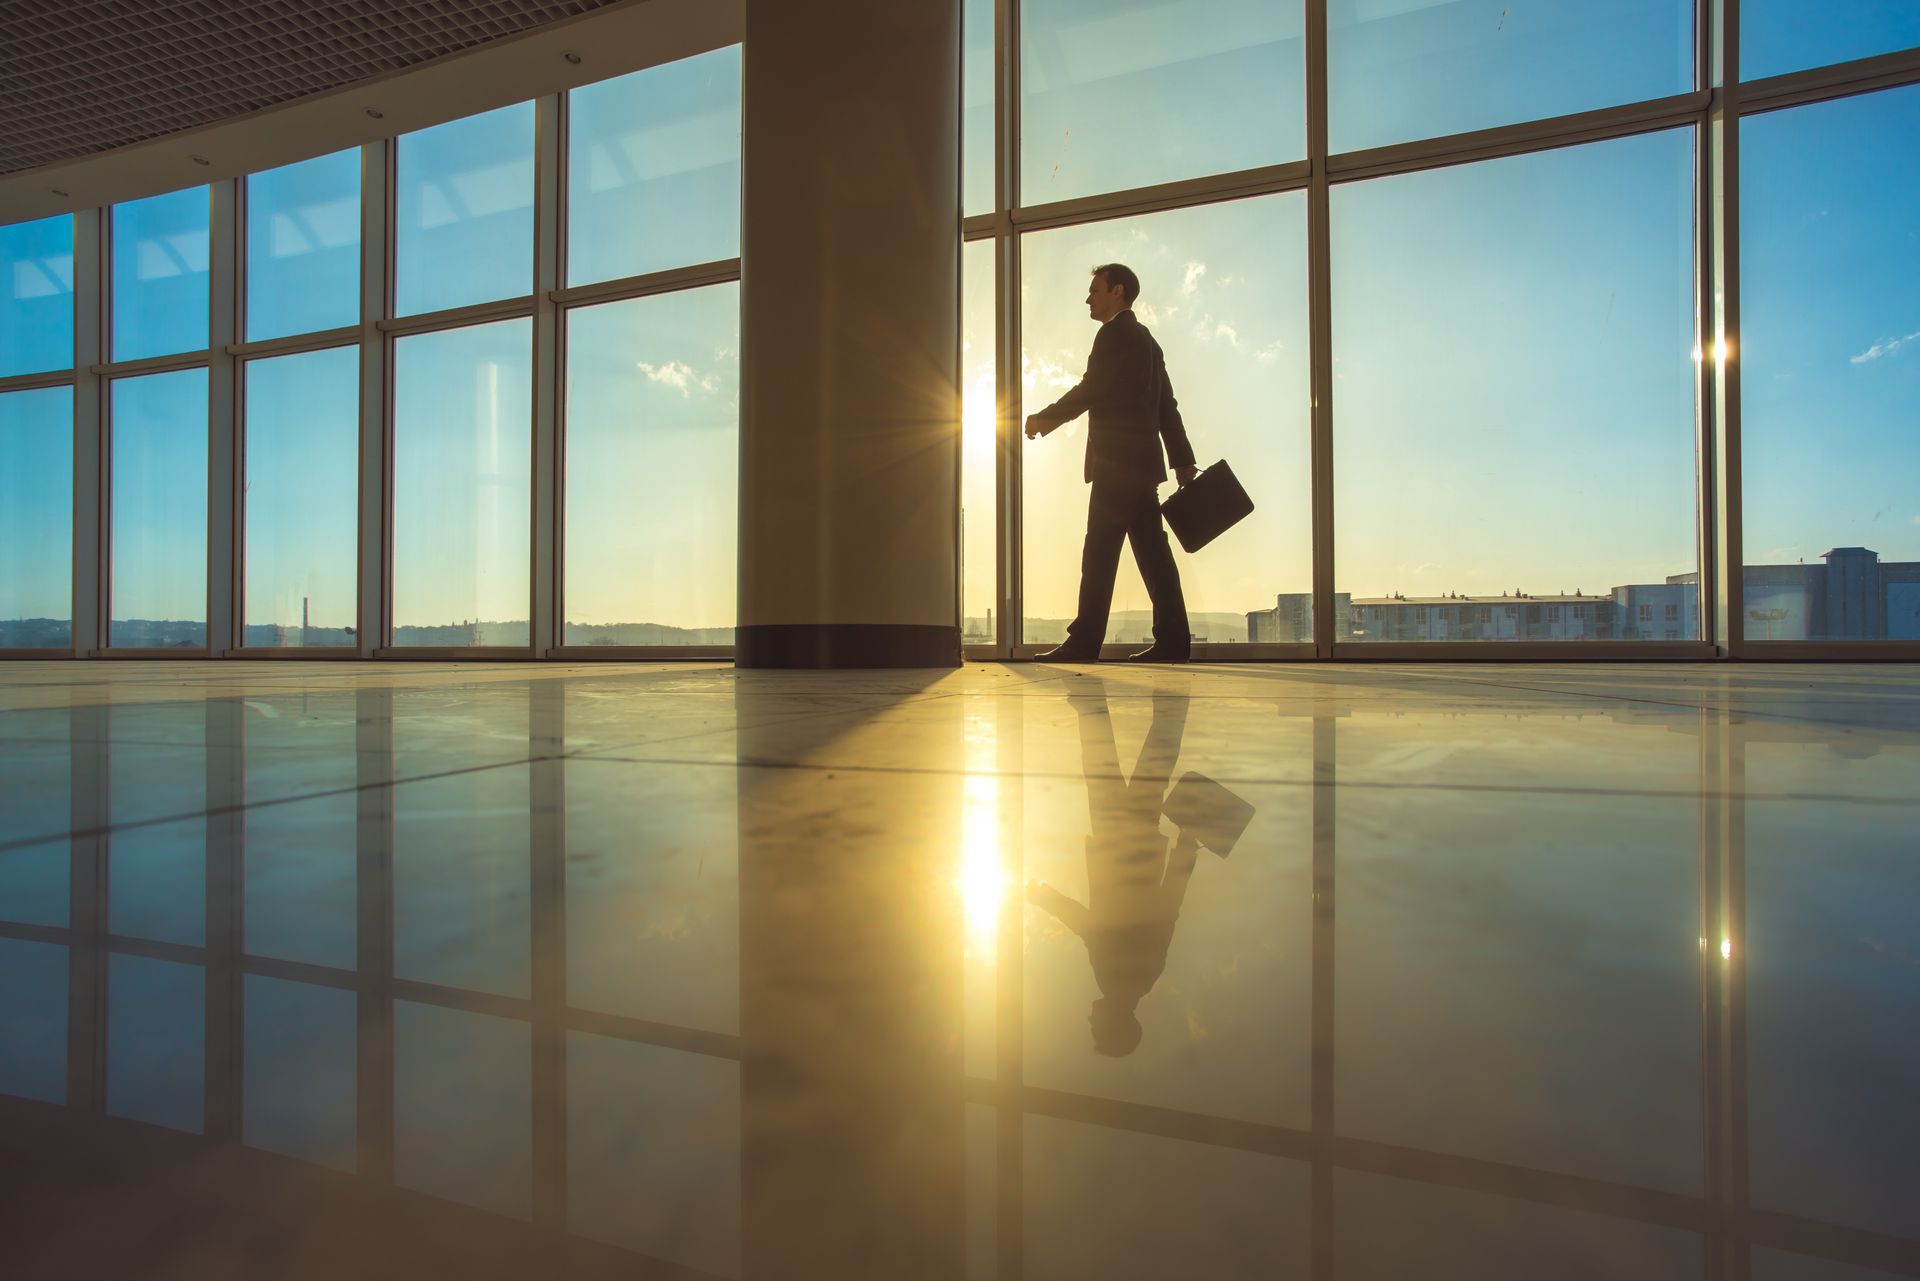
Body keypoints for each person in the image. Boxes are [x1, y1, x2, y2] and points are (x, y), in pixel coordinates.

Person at [1024, 263, 1198, 663]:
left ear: (1117, 291)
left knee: (1099, 555)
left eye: (1095, 290)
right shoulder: (1149, 341)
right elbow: (1167, 406)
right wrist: (1181, 459)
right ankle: (1174, 642)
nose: (1089, 297)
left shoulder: (1113, 336)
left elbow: (1092, 390)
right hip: (1143, 467)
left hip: (1116, 467)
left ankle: (1084, 643)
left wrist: (1042, 420)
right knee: (1154, 556)